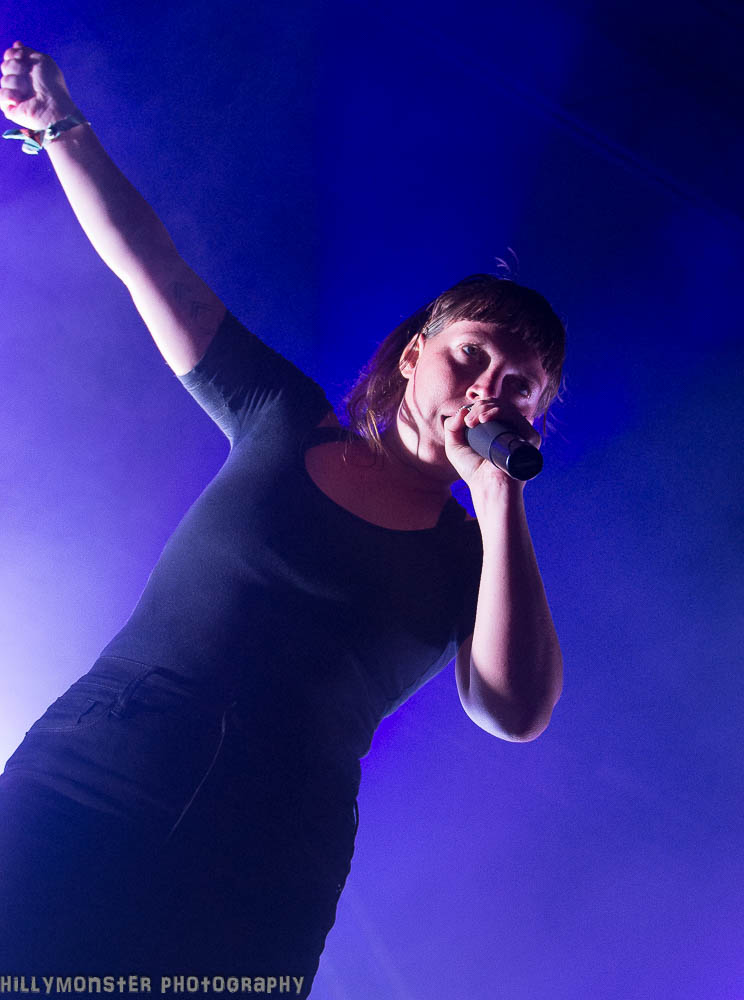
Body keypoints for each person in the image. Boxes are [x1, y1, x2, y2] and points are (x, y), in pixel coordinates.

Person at [0, 41, 565, 998]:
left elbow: (514, 712)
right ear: (416, 353)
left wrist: (497, 497)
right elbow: (158, 274)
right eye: (471, 356)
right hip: (98, 772)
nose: (485, 389)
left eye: (519, 386)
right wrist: (59, 124)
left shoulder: (477, 552)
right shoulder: (284, 418)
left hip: (266, 861)